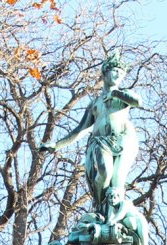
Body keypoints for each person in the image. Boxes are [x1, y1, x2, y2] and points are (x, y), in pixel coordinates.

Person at [40, 53, 143, 223]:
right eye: (115, 71)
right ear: (105, 73)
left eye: (122, 73)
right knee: (104, 172)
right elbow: (80, 130)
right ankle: (101, 208)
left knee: (117, 179)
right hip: (101, 142)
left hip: (123, 140)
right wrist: (56, 145)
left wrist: (117, 94)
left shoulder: (122, 95)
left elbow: (137, 101)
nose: (119, 75)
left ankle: (113, 217)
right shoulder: (95, 103)